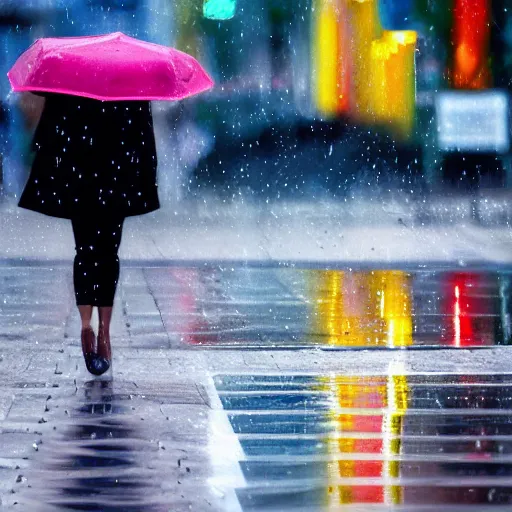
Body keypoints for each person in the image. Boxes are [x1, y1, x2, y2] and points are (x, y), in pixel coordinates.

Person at [18, 92, 159, 375]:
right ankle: (98, 330)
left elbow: (49, 133)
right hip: (109, 177)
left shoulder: (72, 85)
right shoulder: (128, 86)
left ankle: (92, 329)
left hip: (84, 177)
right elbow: (143, 136)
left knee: (90, 251)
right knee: (105, 252)